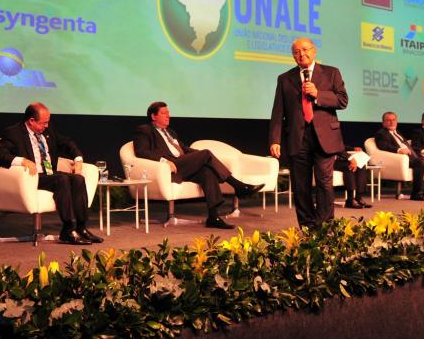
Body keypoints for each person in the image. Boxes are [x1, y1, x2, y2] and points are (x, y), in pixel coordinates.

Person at [133, 102, 264, 229]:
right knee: (206, 154)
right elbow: (141, 151)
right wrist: (164, 161)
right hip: (170, 167)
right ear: (153, 116)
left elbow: (184, 149)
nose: (168, 115)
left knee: (207, 172)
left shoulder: (170, 132)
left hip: (183, 165)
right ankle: (238, 185)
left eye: (168, 113)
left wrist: (200, 156)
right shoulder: (145, 130)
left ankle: (213, 217)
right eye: (164, 113)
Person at [0, 102, 102, 245]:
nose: (46, 126)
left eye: (47, 122)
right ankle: (68, 229)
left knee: (78, 179)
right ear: (31, 121)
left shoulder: (48, 131)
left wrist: (78, 160)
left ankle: (81, 228)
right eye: (43, 123)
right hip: (33, 176)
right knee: (62, 180)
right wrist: (21, 160)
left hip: (50, 174)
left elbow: (67, 143)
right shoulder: (14, 133)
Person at [269, 38, 348, 228]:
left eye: (304, 49)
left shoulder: (331, 72)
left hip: (325, 137)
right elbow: (278, 112)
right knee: (300, 186)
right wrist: (274, 140)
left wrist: (318, 94)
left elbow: (342, 100)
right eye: (296, 51)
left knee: (324, 182)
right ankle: (307, 227)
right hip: (298, 137)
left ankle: (324, 226)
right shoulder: (284, 78)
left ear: (314, 51)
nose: (301, 54)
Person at [374, 111, 424, 201]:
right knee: (422, 162)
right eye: (388, 120)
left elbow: (409, 146)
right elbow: (383, 146)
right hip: (400, 159)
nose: (391, 122)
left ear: (396, 121)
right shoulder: (381, 133)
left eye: (393, 120)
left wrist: (420, 153)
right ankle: (417, 193)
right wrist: (399, 150)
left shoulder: (397, 133)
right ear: (383, 123)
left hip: (413, 157)